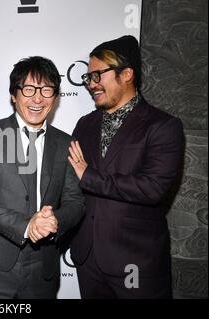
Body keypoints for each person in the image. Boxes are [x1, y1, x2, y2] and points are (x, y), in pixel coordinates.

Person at [68, 35, 184, 298]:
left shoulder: (162, 126)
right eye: (88, 77)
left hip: (135, 260)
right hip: (89, 259)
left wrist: (90, 176)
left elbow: (152, 188)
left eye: (98, 75)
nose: (91, 84)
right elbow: (70, 182)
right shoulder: (84, 124)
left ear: (127, 74)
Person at [0, 56, 85, 298]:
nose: (37, 99)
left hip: (43, 270)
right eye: (28, 89)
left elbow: (76, 202)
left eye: (47, 90)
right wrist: (27, 226)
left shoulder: (65, 142)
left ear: (56, 97)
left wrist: (54, 222)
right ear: (13, 95)